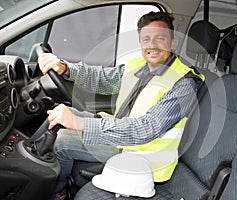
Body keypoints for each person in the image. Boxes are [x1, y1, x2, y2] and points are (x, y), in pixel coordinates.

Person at [37, 11, 204, 199]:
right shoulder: (139, 65)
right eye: (146, 39)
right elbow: (102, 79)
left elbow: (145, 129)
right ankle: (28, 158)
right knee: (60, 112)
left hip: (141, 155)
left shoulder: (183, 82)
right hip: (122, 135)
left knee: (62, 142)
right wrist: (66, 68)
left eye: (160, 38)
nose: (152, 45)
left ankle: (56, 193)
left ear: (173, 43)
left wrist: (80, 123)